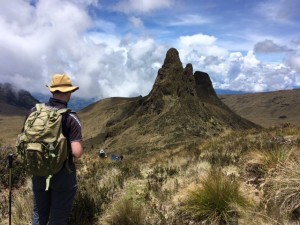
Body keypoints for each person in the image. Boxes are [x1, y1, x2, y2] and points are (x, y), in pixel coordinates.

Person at [26, 73, 83, 225]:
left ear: (52, 91)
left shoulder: (34, 112)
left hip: (38, 170)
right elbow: (77, 153)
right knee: (58, 218)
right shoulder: (71, 117)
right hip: (63, 173)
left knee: (39, 213)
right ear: (69, 93)